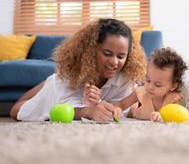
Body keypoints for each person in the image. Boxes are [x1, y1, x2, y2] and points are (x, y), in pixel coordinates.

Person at [10, 18, 146, 122]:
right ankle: (49, 83)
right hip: (56, 88)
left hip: (61, 87)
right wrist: (88, 111)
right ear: (92, 50)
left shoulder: (125, 77)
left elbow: (118, 108)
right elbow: (66, 107)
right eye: (107, 53)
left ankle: (49, 81)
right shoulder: (72, 73)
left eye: (121, 56)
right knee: (16, 111)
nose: (114, 62)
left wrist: (100, 106)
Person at [106, 48, 188, 121]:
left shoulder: (173, 99)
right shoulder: (140, 93)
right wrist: (117, 109)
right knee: (136, 96)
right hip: (135, 111)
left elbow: (177, 116)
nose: (150, 87)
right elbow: (121, 104)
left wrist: (161, 116)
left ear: (173, 86)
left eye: (158, 85)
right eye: (148, 80)